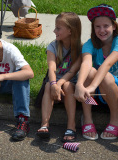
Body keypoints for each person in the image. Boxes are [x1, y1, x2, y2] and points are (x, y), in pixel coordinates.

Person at [74, 4, 118, 140]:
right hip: (97, 95)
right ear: (93, 28)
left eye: (106, 26)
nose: (102, 30)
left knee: (104, 74)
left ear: (114, 26)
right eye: (97, 26)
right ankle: (87, 118)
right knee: (89, 70)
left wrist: (91, 86)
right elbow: (86, 63)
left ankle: (115, 117)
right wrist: (79, 85)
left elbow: (107, 64)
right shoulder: (90, 43)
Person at [36, 12, 82, 142]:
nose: (54, 30)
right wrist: (54, 84)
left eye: (58, 28)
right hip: (54, 79)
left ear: (70, 30)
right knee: (47, 85)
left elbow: (72, 71)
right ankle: (44, 125)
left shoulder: (80, 49)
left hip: (69, 82)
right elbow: (51, 68)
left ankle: (71, 126)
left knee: (67, 86)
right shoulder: (53, 46)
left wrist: (59, 84)